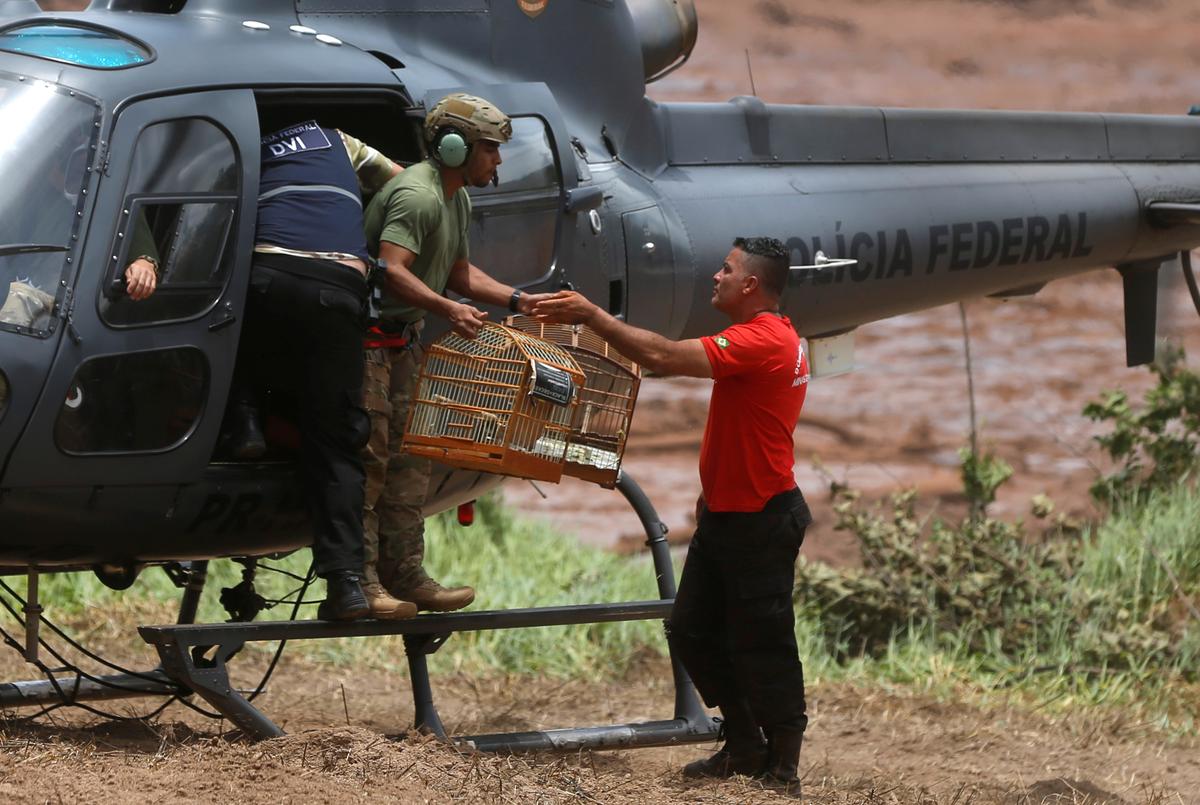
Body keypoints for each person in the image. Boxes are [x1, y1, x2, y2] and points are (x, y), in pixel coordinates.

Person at [533, 236, 812, 794]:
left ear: (751, 285)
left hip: (761, 517)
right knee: (692, 629)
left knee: (764, 641)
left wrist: (591, 315)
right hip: (728, 514)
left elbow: (661, 356)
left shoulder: (762, 340)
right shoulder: (768, 336)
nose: (716, 275)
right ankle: (743, 742)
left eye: (726, 269)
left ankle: (783, 766)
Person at [357, 93, 553, 618]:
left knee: (411, 458)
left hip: (401, 343)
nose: (498, 160)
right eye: (490, 149)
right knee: (370, 460)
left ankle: (406, 576)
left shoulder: (455, 197)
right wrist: (450, 309)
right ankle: (362, 583)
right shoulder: (418, 197)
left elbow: (458, 270)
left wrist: (517, 299)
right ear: (453, 147)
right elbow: (391, 268)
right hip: (369, 342)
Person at [231, 120, 401, 621]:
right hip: (338, 280)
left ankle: (244, 420)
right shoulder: (337, 139)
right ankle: (346, 585)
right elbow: (400, 180)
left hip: (268, 273)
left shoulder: (242, 145)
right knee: (335, 440)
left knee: (235, 319)